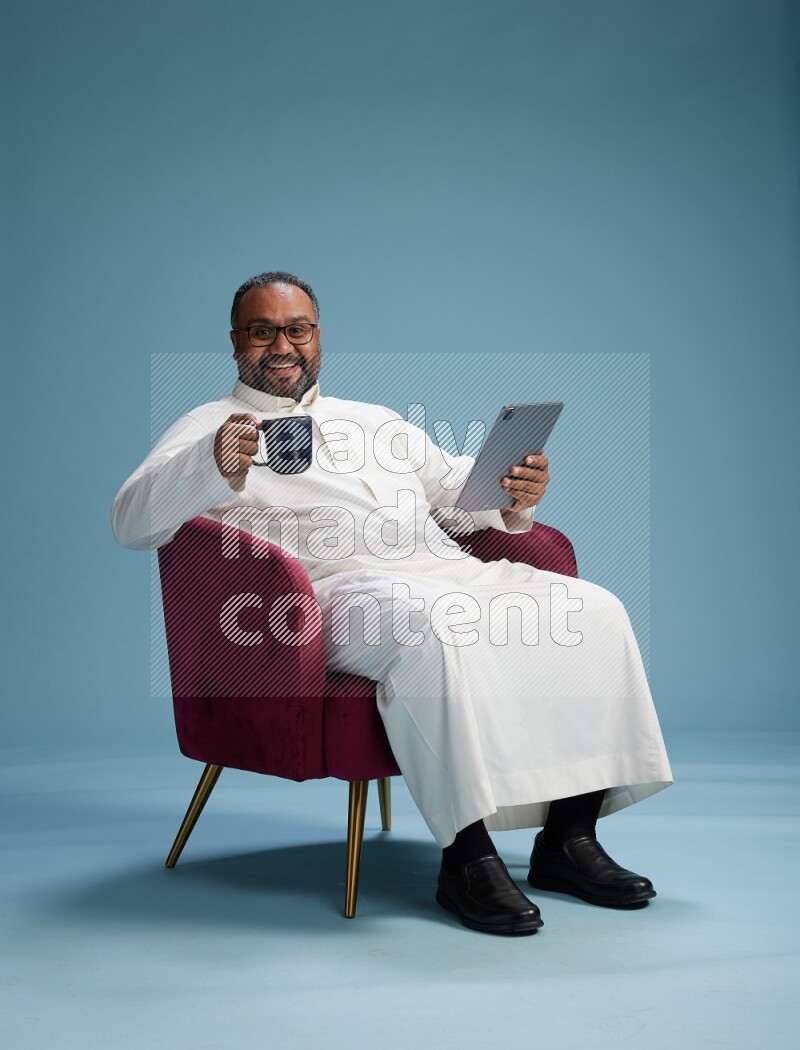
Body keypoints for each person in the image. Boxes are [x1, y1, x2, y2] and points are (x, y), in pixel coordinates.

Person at [112, 270, 673, 936]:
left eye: (297, 329)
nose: (282, 345)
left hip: (440, 568)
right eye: (262, 331)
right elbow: (130, 521)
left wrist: (514, 488)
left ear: (318, 337)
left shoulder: (374, 422)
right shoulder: (208, 426)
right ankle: (466, 860)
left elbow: (457, 493)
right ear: (236, 341)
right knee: (432, 630)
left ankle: (570, 839)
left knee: (592, 611)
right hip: (326, 596)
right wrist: (210, 464)